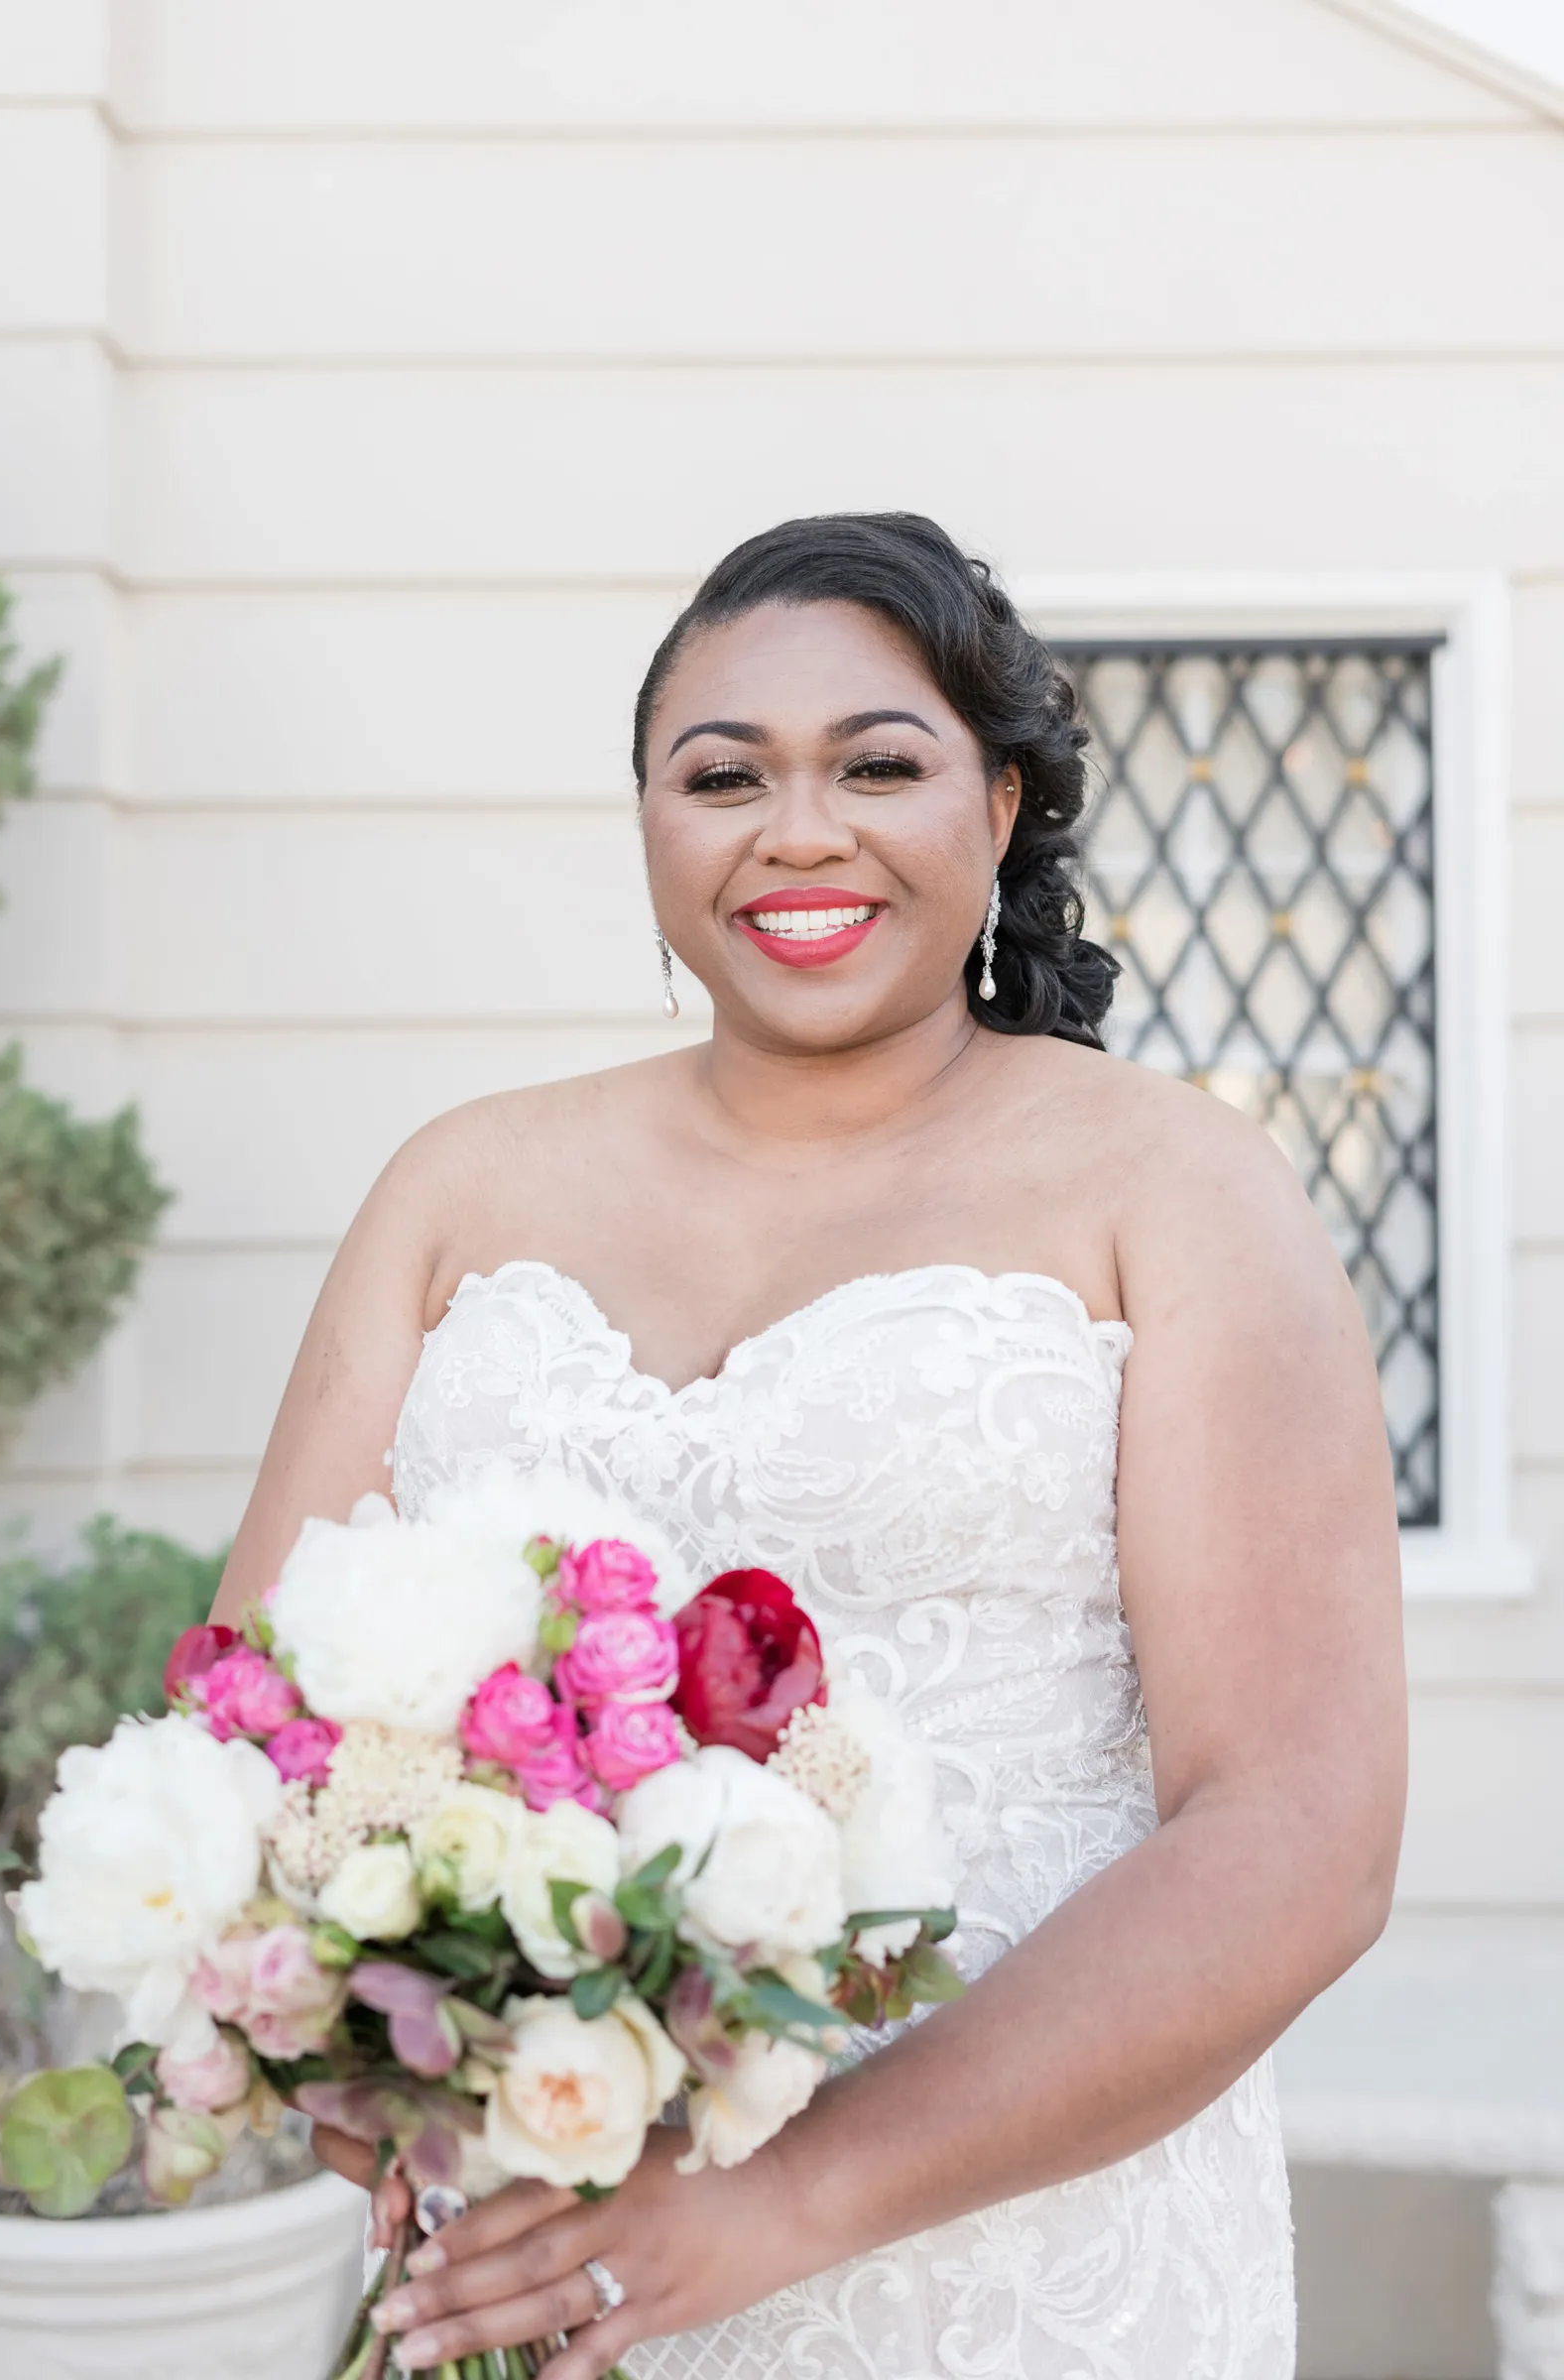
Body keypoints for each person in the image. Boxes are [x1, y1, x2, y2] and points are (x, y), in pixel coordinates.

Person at [213, 513, 1405, 2379]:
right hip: (533, 2243)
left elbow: (1299, 1833)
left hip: (1017, 2272)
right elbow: (255, 1722)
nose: (799, 831)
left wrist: (779, 2198)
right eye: (723, 776)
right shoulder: (457, 1188)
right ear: (648, 827)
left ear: (1000, 809)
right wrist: (355, 2051)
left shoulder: (1177, 1189)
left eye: (878, 765)